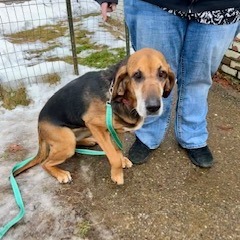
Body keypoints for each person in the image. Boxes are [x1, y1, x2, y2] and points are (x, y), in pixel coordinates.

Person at [95, 0, 240, 167]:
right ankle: (148, 134)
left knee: (199, 79)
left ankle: (193, 135)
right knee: (149, 71)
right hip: (155, 4)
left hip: (221, 7)